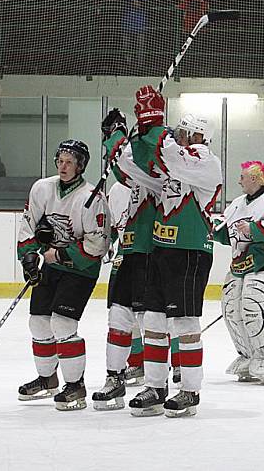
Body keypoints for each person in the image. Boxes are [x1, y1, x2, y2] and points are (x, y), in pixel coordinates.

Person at [103, 87, 222, 417]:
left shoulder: (205, 162)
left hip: (189, 252)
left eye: (183, 132)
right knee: (154, 320)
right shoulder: (173, 168)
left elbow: (169, 156)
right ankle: (156, 386)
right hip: (161, 251)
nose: (178, 136)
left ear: (199, 135)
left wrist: (152, 120)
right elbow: (134, 170)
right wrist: (120, 138)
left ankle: (190, 391)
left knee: (184, 323)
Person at [16, 140, 111, 410]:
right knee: (38, 323)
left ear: (81, 165)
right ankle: (47, 380)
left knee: (63, 325)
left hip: (81, 269)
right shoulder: (42, 188)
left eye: (70, 162)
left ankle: (75, 385)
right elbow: (28, 225)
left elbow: (98, 244)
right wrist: (30, 257)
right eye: (60, 161)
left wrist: (56, 254)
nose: (63, 166)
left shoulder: (92, 198)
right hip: (52, 265)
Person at [90, 109, 157, 411]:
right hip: (128, 255)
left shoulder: (158, 173)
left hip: (151, 256)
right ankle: (114, 378)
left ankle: (160, 380)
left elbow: (125, 165)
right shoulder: (121, 185)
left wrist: (116, 138)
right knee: (118, 318)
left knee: (149, 320)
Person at [212, 161, 264, 384]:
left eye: (243, 177)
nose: (239, 181)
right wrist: (213, 230)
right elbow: (226, 230)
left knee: (255, 308)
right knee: (232, 309)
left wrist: (255, 229)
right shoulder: (237, 204)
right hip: (239, 265)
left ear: (255, 179)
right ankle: (248, 354)